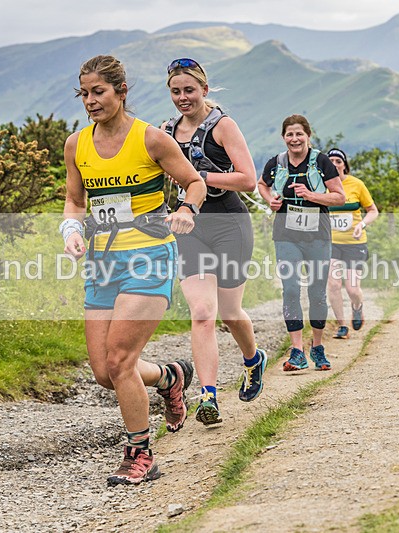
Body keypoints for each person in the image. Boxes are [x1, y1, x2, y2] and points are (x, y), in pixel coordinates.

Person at [61, 55, 207, 486]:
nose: (90, 101)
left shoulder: (152, 139)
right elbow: (75, 200)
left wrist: (186, 210)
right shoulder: (76, 145)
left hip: (148, 256)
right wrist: (71, 229)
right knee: (104, 373)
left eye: (99, 92)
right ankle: (170, 377)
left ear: (121, 91)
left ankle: (140, 453)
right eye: (84, 93)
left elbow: (194, 182)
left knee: (120, 359)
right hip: (102, 262)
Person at [163, 57, 267, 426]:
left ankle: (253, 359)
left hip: (229, 225)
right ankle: (208, 396)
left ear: (204, 90)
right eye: (175, 91)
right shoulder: (166, 131)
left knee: (230, 313)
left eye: (189, 90)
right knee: (203, 312)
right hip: (189, 227)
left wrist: (200, 177)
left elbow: (248, 179)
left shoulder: (223, 126)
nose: (183, 97)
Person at [256, 115, 345, 372]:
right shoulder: (276, 163)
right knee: (291, 289)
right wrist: (270, 200)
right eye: (289, 134)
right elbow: (262, 185)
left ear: (308, 136)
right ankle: (297, 351)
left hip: (318, 235)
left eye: (299, 134)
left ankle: (317, 346)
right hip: (286, 234)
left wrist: (311, 195)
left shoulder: (322, 162)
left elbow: (339, 197)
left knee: (316, 291)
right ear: (283, 137)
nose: (294, 139)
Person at [325, 148, 379, 339]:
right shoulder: (321, 186)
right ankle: (342, 326)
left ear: (344, 165)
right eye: (330, 161)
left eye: (338, 161)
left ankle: (357, 307)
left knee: (352, 289)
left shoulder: (356, 184)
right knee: (333, 284)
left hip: (355, 243)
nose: (334, 164)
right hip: (331, 243)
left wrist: (362, 224)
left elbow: (373, 210)